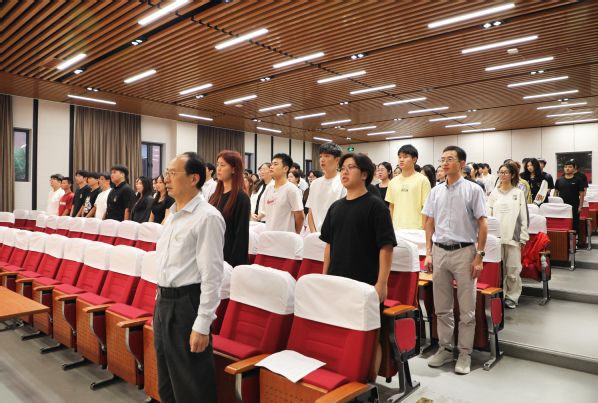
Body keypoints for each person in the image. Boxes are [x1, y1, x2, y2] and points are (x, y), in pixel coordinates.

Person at [154, 151, 224, 403]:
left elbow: (212, 276)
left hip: (186, 306)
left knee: (192, 386)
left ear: (194, 178)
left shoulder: (207, 217)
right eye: (167, 173)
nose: (166, 179)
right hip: (163, 303)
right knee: (167, 384)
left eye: (173, 173)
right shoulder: (172, 214)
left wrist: (203, 323)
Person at [320, 152, 396, 372]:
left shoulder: (376, 207)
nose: (344, 172)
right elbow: (329, 245)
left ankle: (368, 383)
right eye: (342, 168)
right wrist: (325, 277)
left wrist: (381, 283)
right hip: (337, 281)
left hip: (365, 283)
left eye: (350, 168)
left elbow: (386, 247)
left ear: (364, 174)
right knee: (339, 330)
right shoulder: (336, 207)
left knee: (368, 335)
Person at [423, 145, 488, 375]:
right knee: (442, 307)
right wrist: (429, 252)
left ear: (461, 164)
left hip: (464, 252)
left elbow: (482, 224)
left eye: (449, 159)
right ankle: (445, 348)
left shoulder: (473, 190)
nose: (444, 163)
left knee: (467, 308)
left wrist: (479, 256)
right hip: (439, 251)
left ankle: (465, 353)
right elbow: (429, 223)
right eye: (442, 159)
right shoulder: (435, 191)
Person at [487, 163, 529, 309]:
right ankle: (501, 295)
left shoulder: (518, 193)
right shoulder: (494, 194)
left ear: (512, 175)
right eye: (500, 172)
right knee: (499, 270)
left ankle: (512, 297)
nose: (502, 175)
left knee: (513, 269)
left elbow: (524, 217)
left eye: (506, 172)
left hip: (513, 238)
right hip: (496, 239)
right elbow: (488, 217)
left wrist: (523, 236)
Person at [209, 150, 250, 267]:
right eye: (218, 164)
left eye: (223, 165)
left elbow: (241, 236)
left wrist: (233, 265)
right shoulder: (215, 196)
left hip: (230, 259)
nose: (218, 169)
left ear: (234, 169)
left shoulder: (241, 197)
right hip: (214, 254)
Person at [386, 145, 431, 230]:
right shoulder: (393, 182)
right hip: (397, 229)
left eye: (405, 157)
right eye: (399, 157)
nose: (401, 159)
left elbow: (426, 207)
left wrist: (423, 229)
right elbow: (391, 206)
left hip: (417, 228)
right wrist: (391, 227)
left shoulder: (423, 180)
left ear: (414, 159)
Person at [258, 153, 304, 234]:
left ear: (285, 169)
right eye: (272, 164)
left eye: (275, 164)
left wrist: (295, 235)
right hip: (269, 235)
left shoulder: (291, 189)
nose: (271, 167)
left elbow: (300, 217)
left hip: (285, 237)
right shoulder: (269, 189)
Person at [306, 143, 346, 233]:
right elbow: (310, 211)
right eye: (320, 156)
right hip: (315, 233)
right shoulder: (315, 183)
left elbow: (344, 213)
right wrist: (314, 232)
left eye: (327, 156)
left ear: (337, 160)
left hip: (335, 233)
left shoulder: (343, 183)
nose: (322, 160)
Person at [555, 159, 585, 235]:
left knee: (575, 224)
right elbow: (556, 192)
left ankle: (575, 240)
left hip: (574, 206)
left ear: (574, 169)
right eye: (565, 167)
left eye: (570, 167)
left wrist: (580, 206)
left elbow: (581, 193)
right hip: (562, 207)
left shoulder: (578, 180)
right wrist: (556, 205)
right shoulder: (559, 180)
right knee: (563, 225)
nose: (567, 169)